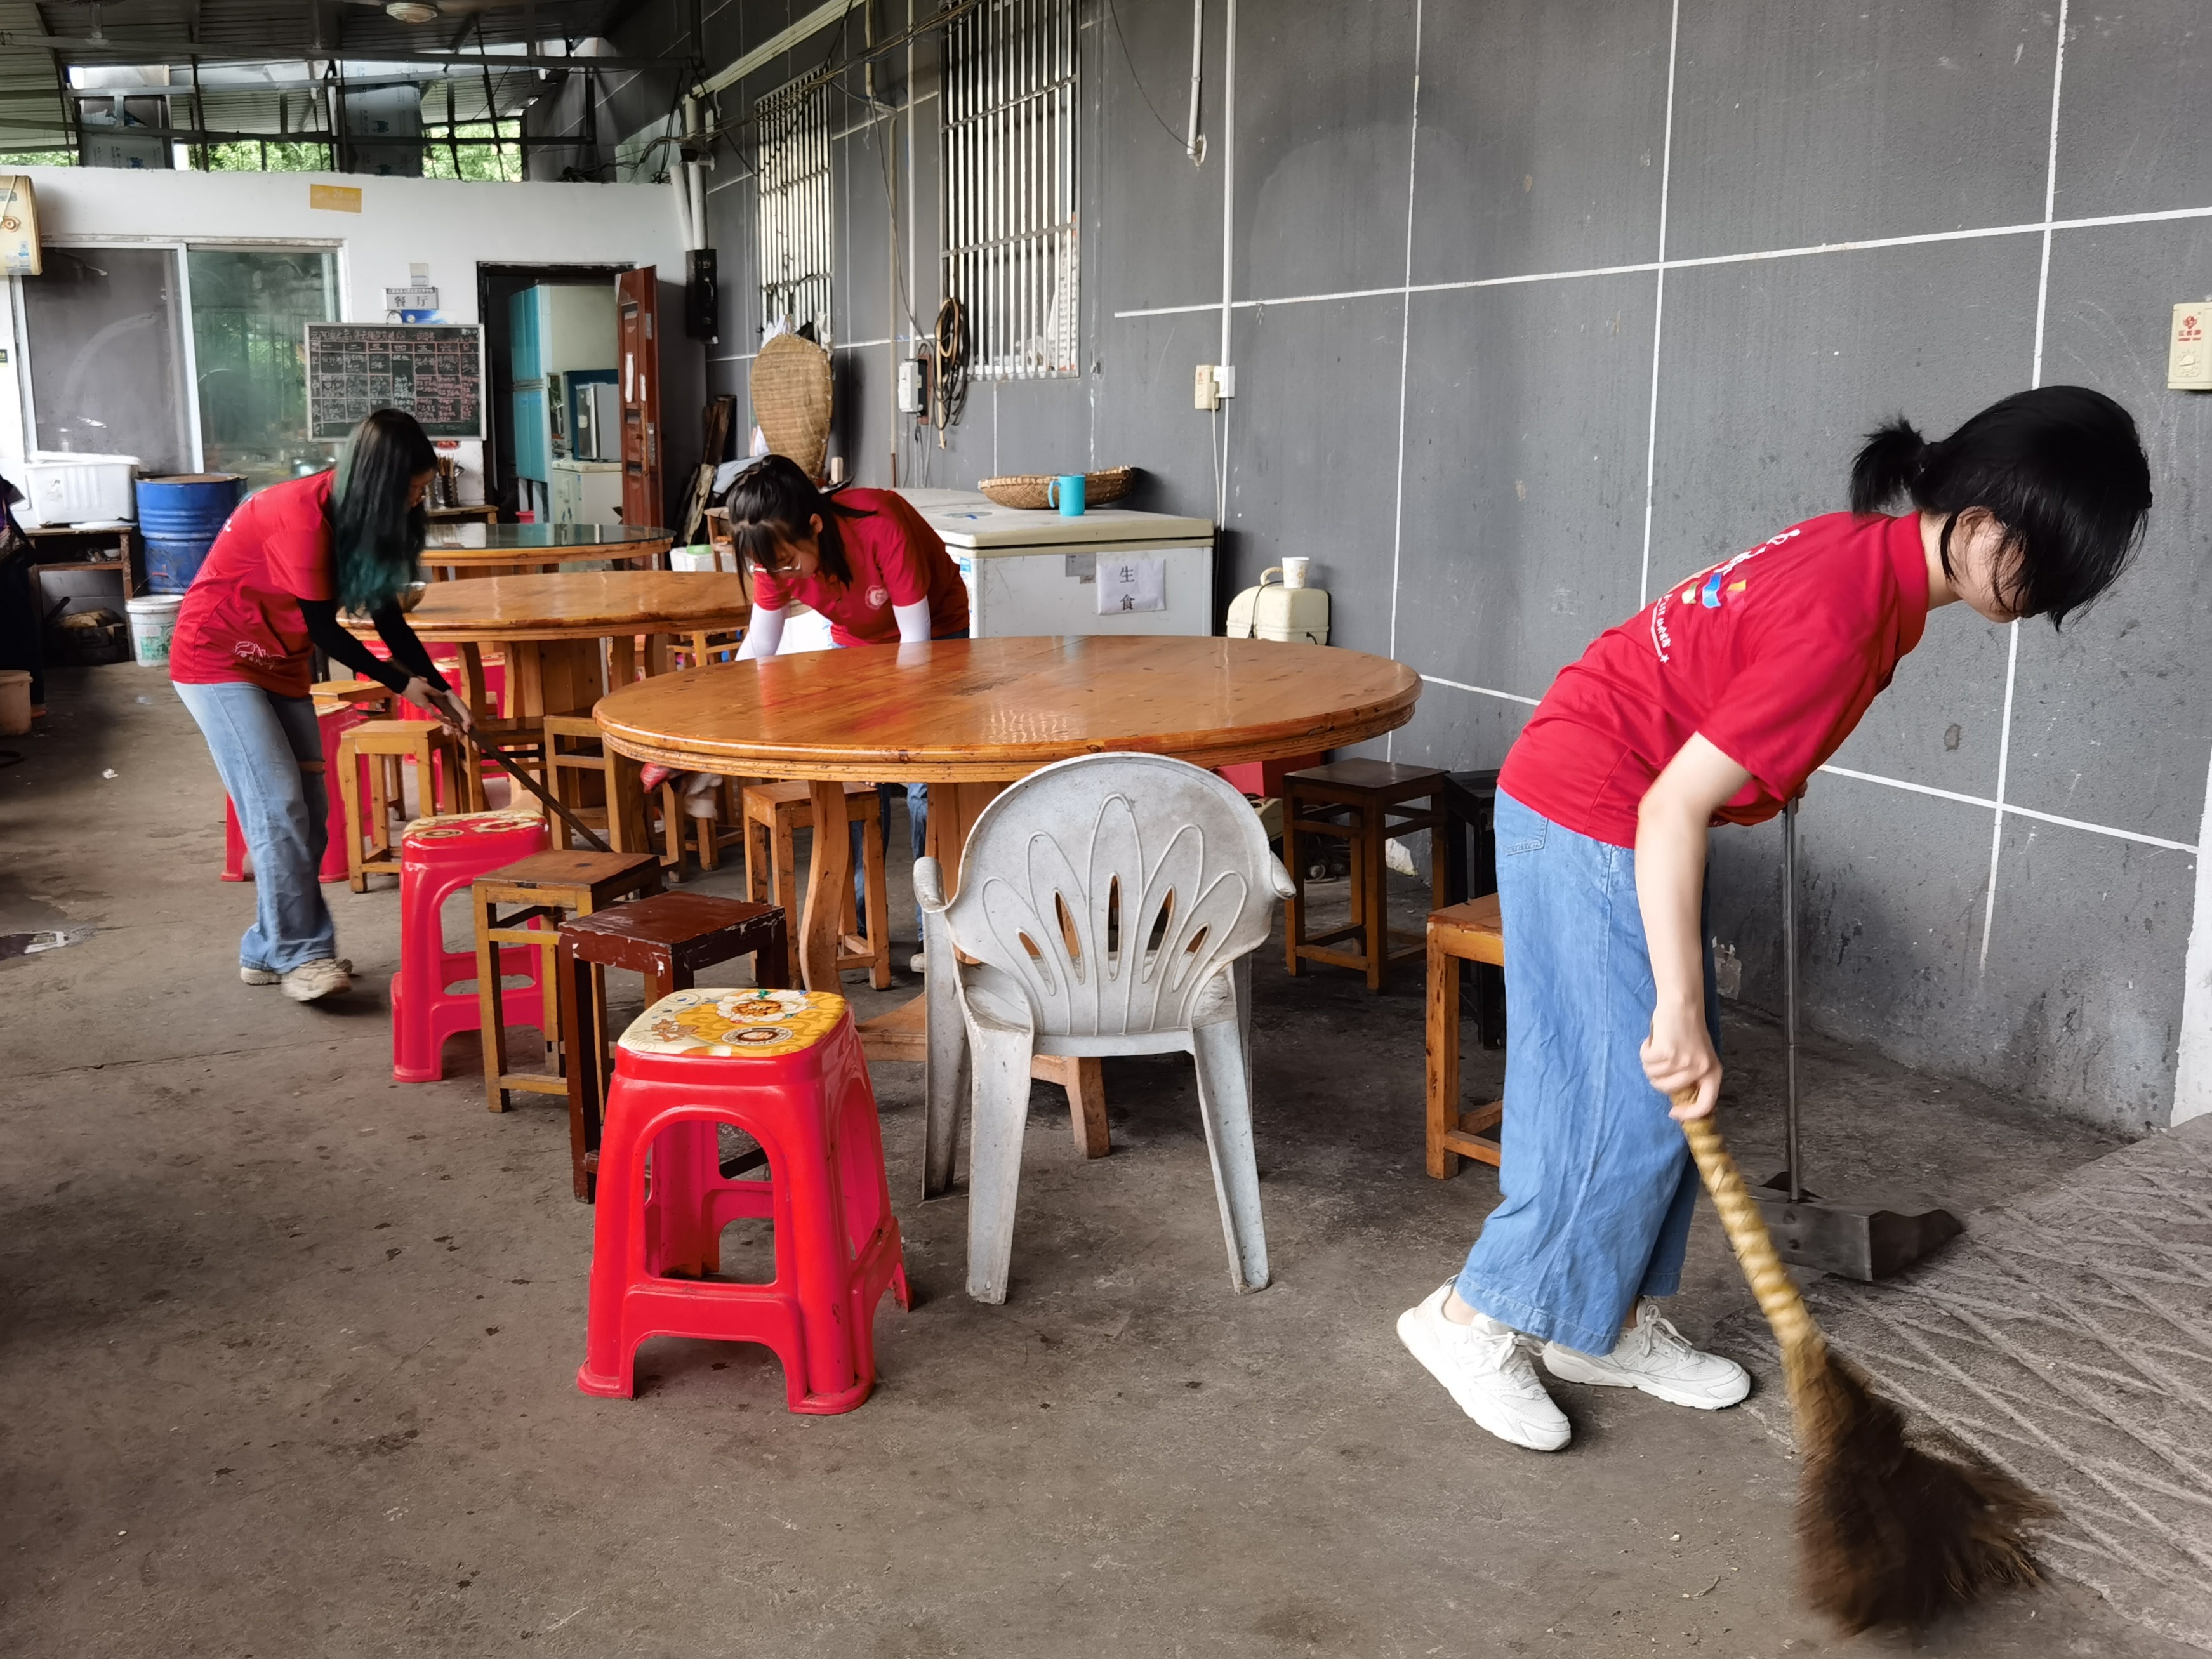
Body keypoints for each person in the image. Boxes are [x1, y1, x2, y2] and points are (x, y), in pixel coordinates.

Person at [1398, 385, 2152, 1452]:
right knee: (1625, 1092)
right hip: (1595, 799)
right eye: (2053, 566)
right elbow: (1673, 803)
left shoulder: (1865, 553)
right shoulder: (1848, 616)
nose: (2044, 600)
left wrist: (1767, 767)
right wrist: (1681, 1003)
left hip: (1614, 786)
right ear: (1985, 525)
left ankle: (1597, 1321)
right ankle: (1469, 1316)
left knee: (1658, 1096)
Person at [170, 409, 468, 1003]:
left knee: (309, 810)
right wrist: (399, 684)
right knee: (277, 807)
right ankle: (302, 955)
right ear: (380, 484)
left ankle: (265, 947)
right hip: (217, 658)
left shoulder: (357, 516)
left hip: (278, 662)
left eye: (422, 491)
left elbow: (385, 613)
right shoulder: (299, 518)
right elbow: (327, 631)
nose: (416, 504)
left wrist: (437, 685)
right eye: (410, 491)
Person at [696, 456, 970, 965]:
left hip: (936, 638)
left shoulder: (878, 521)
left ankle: (938, 931)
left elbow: (916, 641)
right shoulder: (770, 551)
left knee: (922, 782)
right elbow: (761, 646)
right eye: (764, 567)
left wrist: (905, 725)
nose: (776, 574)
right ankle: (866, 925)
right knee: (857, 777)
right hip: (856, 645)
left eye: (783, 563)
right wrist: (718, 707)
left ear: (815, 527)